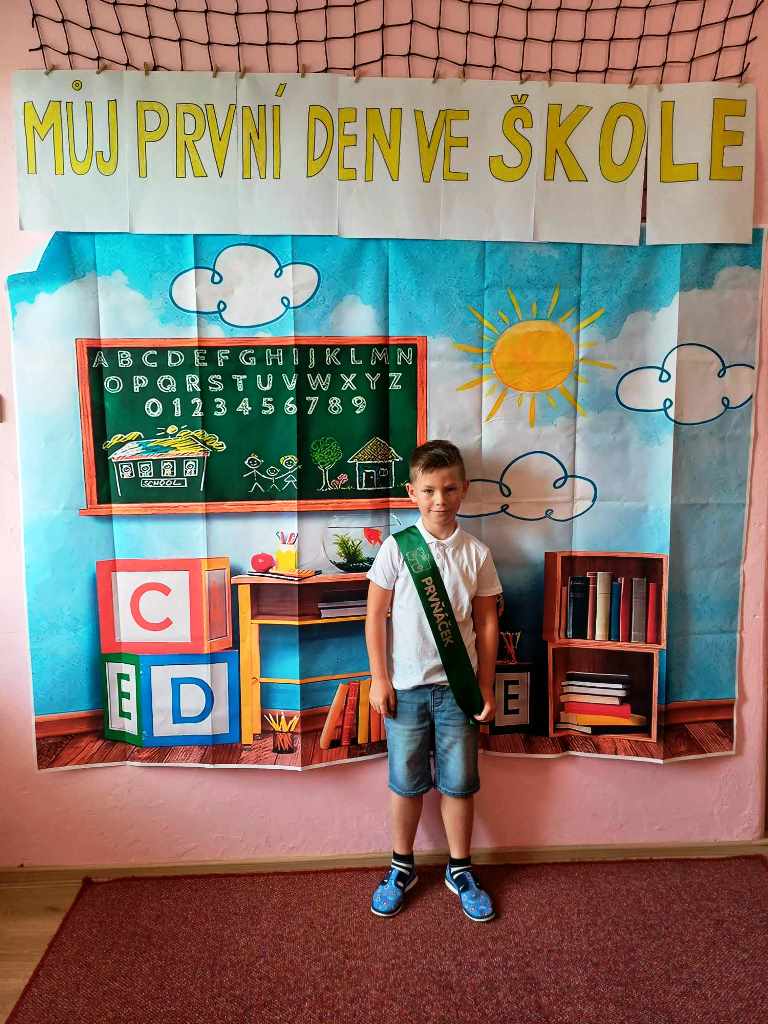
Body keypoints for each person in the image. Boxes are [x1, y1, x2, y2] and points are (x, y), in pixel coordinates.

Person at [365, 439, 502, 921]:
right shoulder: (397, 548)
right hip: (404, 690)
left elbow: (487, 622)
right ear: (412, 493)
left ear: (464, 489)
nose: (439, 500)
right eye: (428, 490)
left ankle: (459, 868)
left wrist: (485, 685)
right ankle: (401, 866)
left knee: (459, 784)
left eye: (449, 489)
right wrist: (379, 679)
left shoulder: (476, 553)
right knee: (405, 783)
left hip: (458, 692)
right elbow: (374, 616)